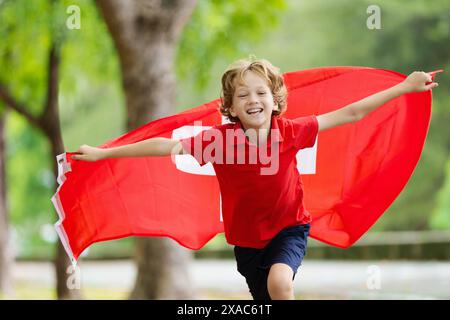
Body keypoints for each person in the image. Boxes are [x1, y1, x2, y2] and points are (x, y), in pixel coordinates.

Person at [71, 58, 438, 300]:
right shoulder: (218, 141)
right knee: (264, 296)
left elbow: (351, 113)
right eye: (243, 95)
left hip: (290, 228)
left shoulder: (291, 131)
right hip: (247, 243)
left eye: (261, 92)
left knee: (281, 284)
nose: (253, 99)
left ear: (274, 100)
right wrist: (104, 154)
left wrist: (404, 87)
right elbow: (164, 147)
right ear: (230, 107)